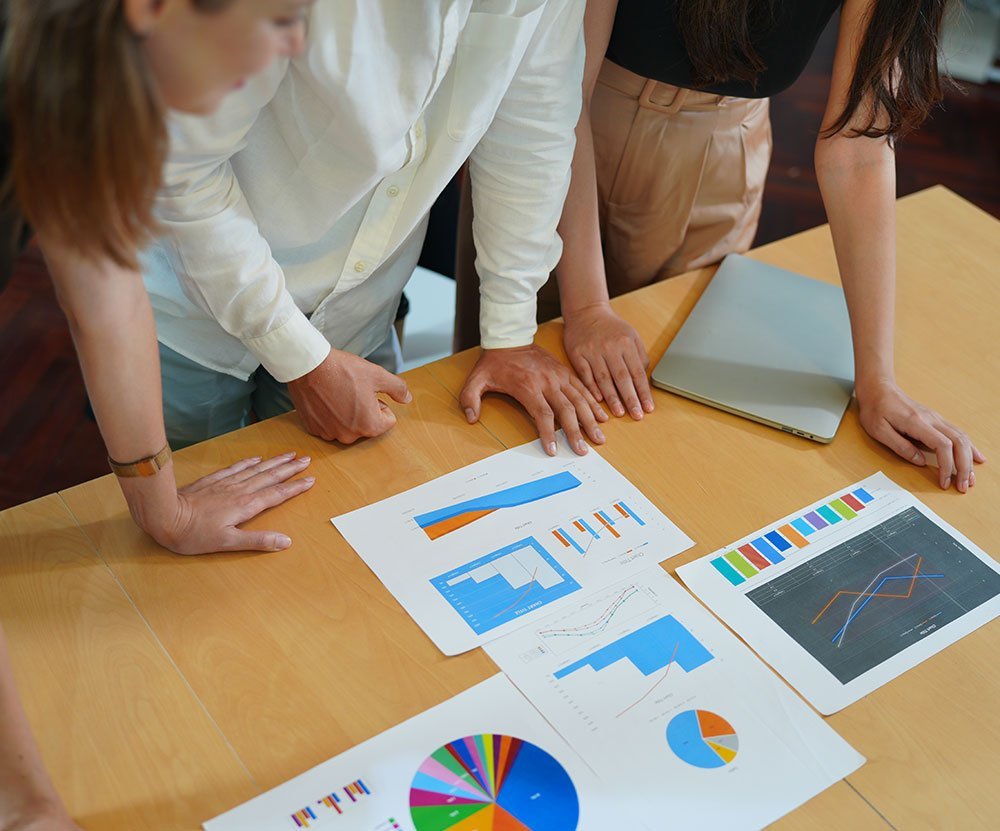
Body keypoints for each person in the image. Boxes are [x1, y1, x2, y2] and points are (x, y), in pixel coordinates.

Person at [458, 0, 984, 492]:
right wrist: (589, 307)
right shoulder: (550, 123)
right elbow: (557, 98)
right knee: (510, 401)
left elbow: (860, 148)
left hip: (725, 152)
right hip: (557, 145)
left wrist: (877, 381)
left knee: (677, 425)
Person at [2, 2, 309, 825]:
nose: (297, 45)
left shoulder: (66, 79)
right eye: (281, 14)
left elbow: (105, 289)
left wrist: (164, 509)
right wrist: (26, 798)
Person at [142, 1, 609, 461]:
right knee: (192, 493)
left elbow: (532, 128)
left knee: (356, 500)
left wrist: (511, 333)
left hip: (357, 308)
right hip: (190, 300)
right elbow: (182, 170)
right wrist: (299, 356)